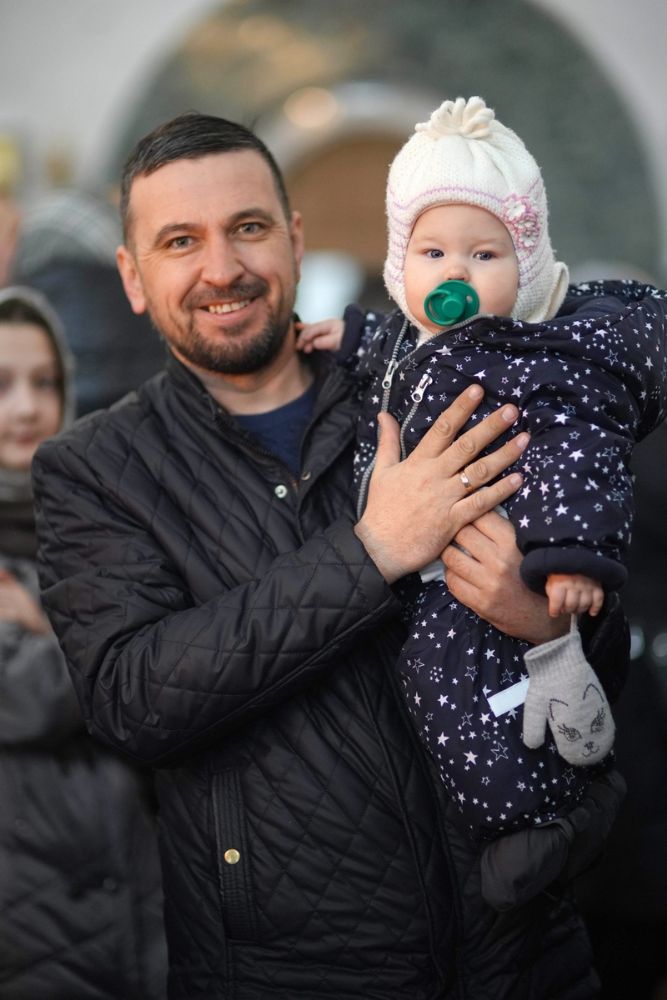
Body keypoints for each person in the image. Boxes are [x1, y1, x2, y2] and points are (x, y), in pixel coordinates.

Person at [32, 111, 629, 1000]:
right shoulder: (95, 469)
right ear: (132, 275)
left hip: (521, 954)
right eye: (180, 241)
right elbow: (133, 700)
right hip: (288, 971)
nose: (222, 268)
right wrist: (373, 549)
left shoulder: (429, 380)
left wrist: (545, 618)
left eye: (247, 227)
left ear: (295, 238)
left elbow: (604, 648)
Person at [297, 95, 666, 840]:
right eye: (432, 254)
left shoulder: (538, 360)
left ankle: (528, 815)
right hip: (422, 572)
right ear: (402, 263)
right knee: (434, 692)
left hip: (499, 558)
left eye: (484, 255)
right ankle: (512, 797)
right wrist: (351, 334)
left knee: (480, 700)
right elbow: (389, 352)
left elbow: (579, 452)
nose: (455, 271)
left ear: (524, 267)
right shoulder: (409, 338)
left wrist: (573, 555)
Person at [0, 286, 167, 998]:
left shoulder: (106, 522)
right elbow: (26, 698)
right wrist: (115, 649)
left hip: (140, 892)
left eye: (45, 382)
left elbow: (167, 684)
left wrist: (44, 626)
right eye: (2, 385)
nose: (27, 407)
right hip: (26, 911)